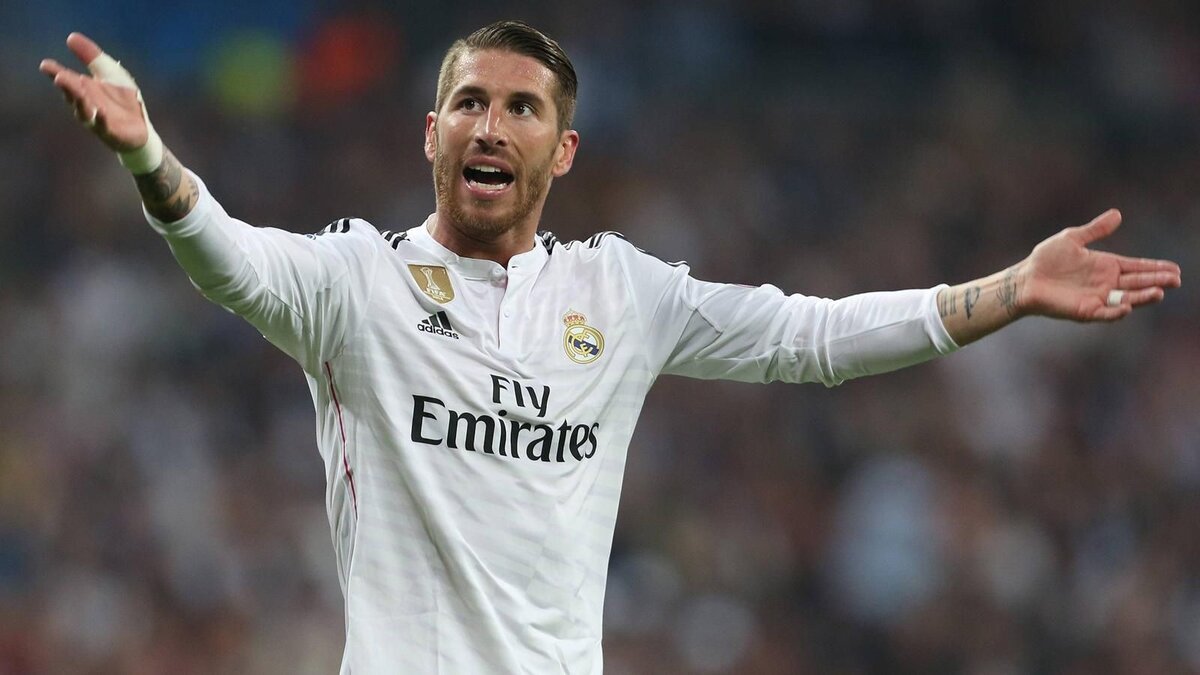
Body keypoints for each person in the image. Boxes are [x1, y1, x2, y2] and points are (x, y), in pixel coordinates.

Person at [40, 20, 1180, 674]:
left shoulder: (620, 293)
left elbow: (813, 336)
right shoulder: (354, 283)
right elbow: (229, 261)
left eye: (521, 108)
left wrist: (1011, 290)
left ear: (564, 149)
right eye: (470, 103)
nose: (491, 125)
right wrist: (149, 159)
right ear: (431, 133)